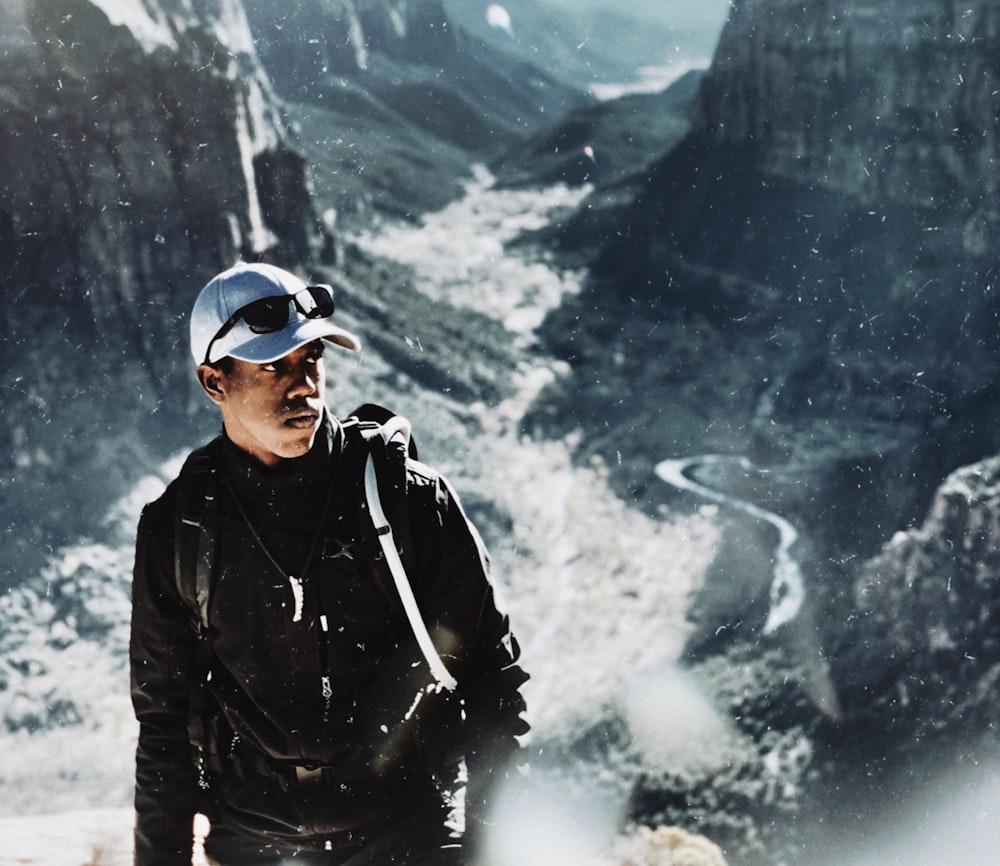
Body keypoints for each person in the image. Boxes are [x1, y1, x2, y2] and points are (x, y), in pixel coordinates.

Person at [130, 262, 530, 866]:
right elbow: (163, 726)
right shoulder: (179, 528)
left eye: (311, 359)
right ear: (215, 382)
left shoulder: (406, 498)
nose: (304, 386)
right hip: (255, 845)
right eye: (273, 367)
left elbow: (492, 682)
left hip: (409, 831)